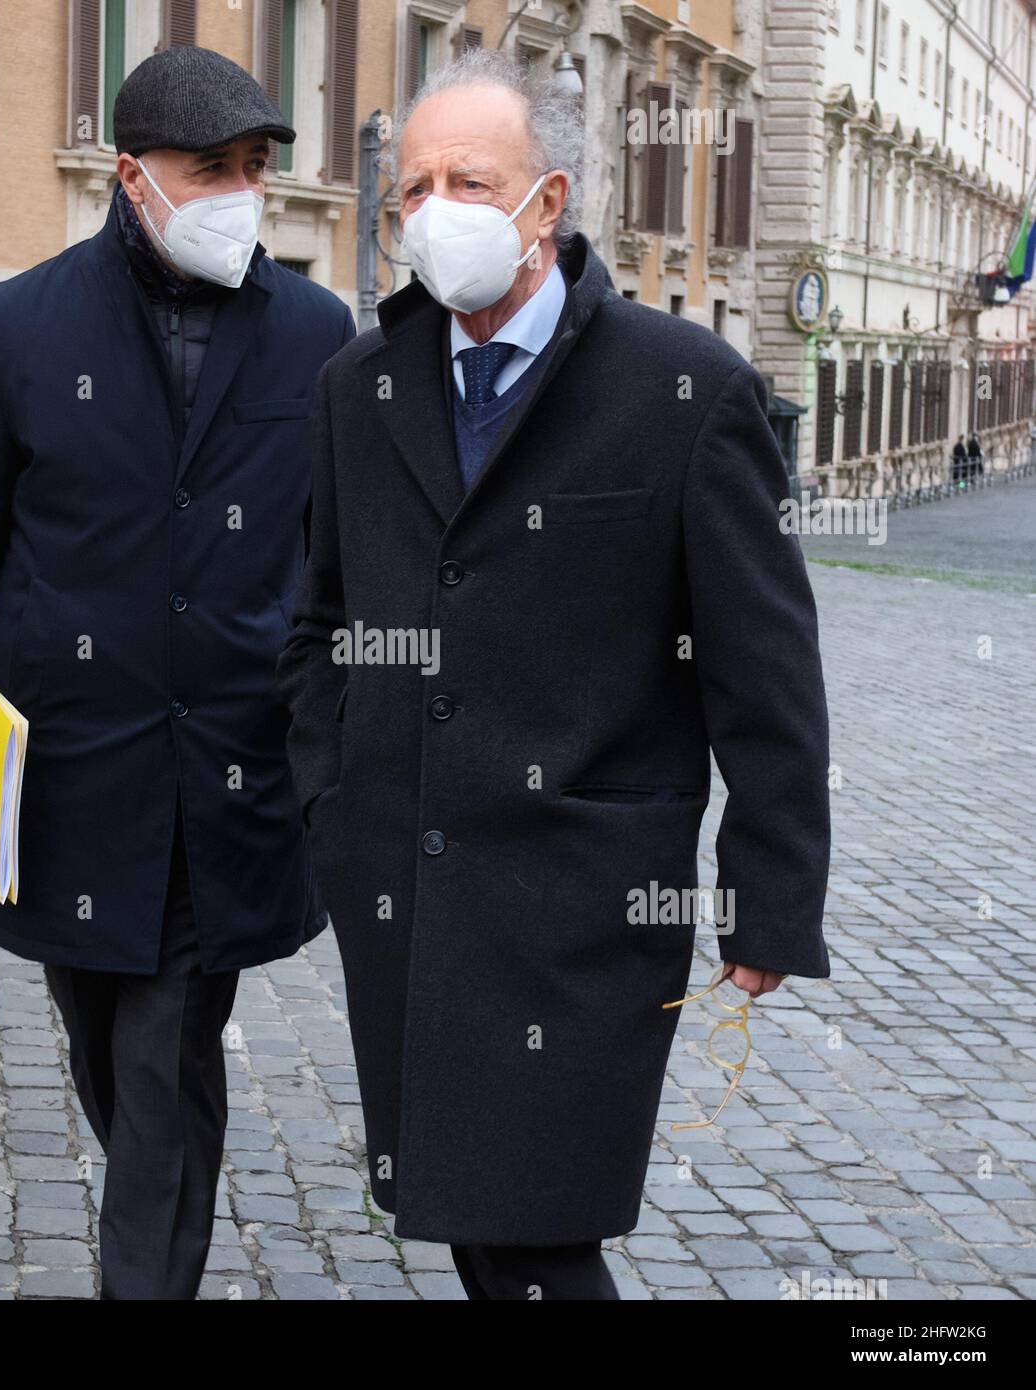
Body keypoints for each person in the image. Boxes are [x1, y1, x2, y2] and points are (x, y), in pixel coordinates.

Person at [277, 50, 832, 1301]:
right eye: (411, 187)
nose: (432, 210)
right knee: (473, 1222)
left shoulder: (684, 390)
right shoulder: (356, 388)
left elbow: (766, 669)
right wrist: (334, 798)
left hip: (578, 903)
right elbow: (314, 624)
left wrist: (769, 892)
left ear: (550, 199)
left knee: (536, 1234)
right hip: (404, 891)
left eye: (468, 179)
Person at [0, 46, 354, 1299]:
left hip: (231, 785)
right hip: (65, 789)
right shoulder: (13, 327)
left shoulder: (318, 334)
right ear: (130, 175)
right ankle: (160, 1214)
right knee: (113, 1050)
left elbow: (335, 574)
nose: (239, 195)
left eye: (256, 169)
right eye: (212, 169)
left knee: (162, 1056)